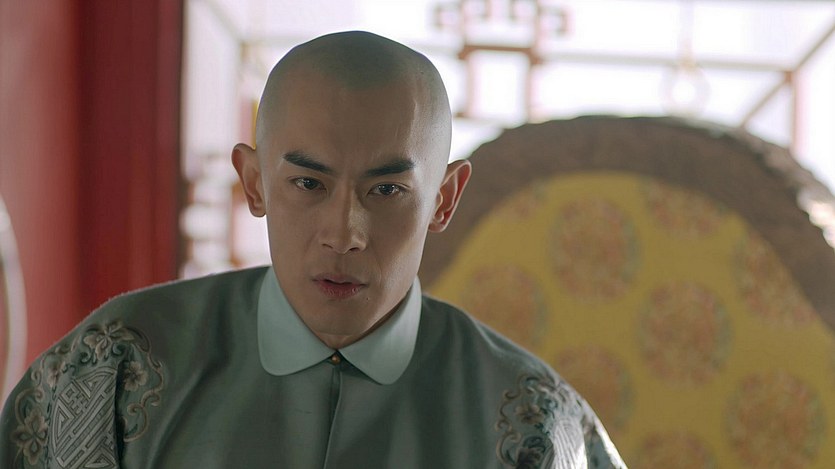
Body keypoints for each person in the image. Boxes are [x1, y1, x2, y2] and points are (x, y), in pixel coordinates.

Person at [0, 31, 625, 468]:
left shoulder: (534, 425)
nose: (344, 232)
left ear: (443, 199)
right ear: (253, 182)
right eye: (308, 184)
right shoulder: (114, 366)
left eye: (387, 190)